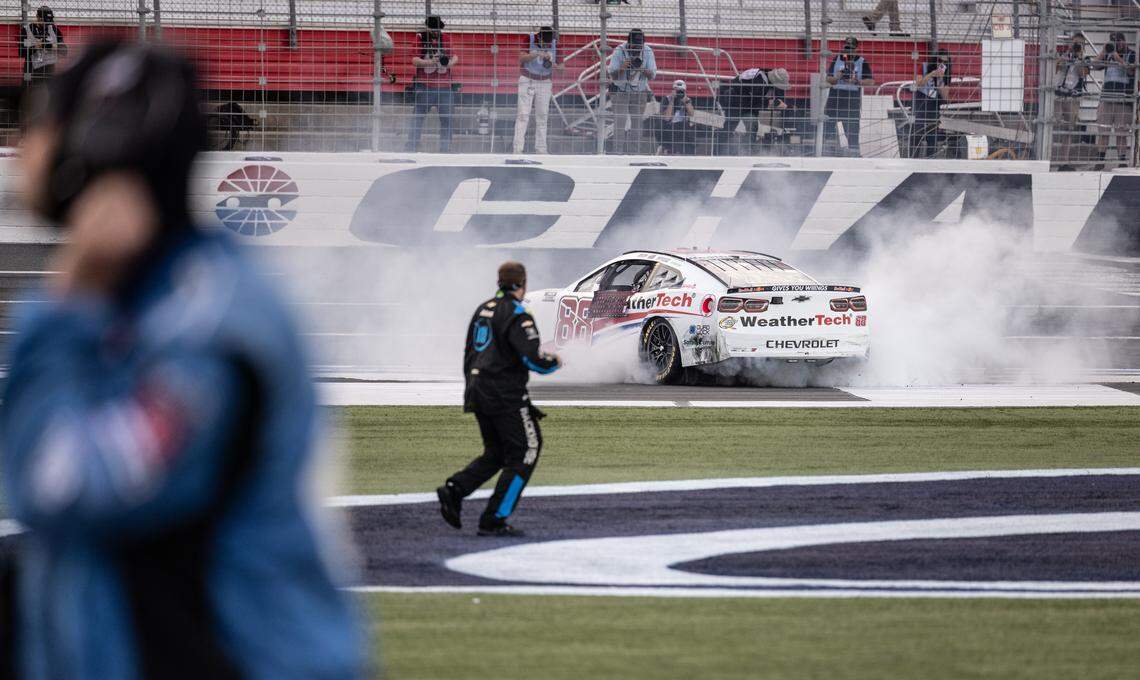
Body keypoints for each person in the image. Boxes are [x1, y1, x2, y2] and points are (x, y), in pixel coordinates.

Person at [2, 43, 365, 679]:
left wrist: (64, 304)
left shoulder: (207, 326)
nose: (23, 148)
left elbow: (55, 484)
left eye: (38, 122)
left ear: (98, 140)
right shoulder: (147, 299)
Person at [437, 262, 561, 537]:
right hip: (504, 394)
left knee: (496, 453)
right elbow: (533, 359)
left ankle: (455, 489)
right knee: (527, 450)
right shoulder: (518, 313)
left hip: (477, 389)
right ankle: (494, 517)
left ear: (499, 281)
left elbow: (470, 352)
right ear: (523, 283)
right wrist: (555, 362)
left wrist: (473, 385)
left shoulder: (483, 309)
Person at [407, 14, 459, 153]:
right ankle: (412, 146)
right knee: (417, 118)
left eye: (438, 30)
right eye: (433, 29)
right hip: (425, 85)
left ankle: (445, 149)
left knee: (447, 119)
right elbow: (415, 60)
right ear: (428, 28)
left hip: (445, 87)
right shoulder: (420, 38)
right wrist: (431, 62)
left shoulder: (446, 38)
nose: (436, 32)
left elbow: (455, 57)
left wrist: (448, 64)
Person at [715, 67, 789, 155]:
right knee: (733, 126)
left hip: (744, 103)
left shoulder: (765, 77)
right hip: (735, 102)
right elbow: (755, 102)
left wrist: (775, 102)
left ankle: (745, 152)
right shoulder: (759, 80)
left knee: (750, 124)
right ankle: (720, 153)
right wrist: (770, 103)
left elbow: (755, 102)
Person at [607, 28, 657, 154]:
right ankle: (617, 153)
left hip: (640, 91)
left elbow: (652, 75)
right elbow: (612, 75)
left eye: (638, 47)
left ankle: (635, 153)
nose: (636, 50)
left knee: (637, 124)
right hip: (621, 90)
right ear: (628, 42)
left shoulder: (648, 51)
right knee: (620, 123)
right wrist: (622, 68)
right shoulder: (619, 50)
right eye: (633, 46)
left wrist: (641, 68)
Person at [825, 36, 875, 156]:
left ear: (856, 48)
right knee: (827, 127)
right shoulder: (837, 59)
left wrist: (857, 81)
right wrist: (837, 77)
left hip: (852, 98)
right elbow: (828, 79)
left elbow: (871, 81)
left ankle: (854, 155)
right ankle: (823, 153)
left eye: (851, 48)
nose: (848, 51)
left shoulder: (862, 61)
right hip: (835, 96)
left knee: (852, 131)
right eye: (846, 48)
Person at [1093, 32, 1136, 168]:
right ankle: (1100, 161)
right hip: (1106, 98)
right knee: (1103, 132)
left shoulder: (1132, 54)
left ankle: (1122, 161)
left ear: (1124, 41)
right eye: (1113, 42)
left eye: (1118, 41)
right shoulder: (1108, 54)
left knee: (1121, 133)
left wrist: (1118, 59)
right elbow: (1095, 65)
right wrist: (1104, 51)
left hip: (1123, 100)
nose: (1117, 44)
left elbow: (1132, 71)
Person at [514, 25, 559, 155]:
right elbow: (521, 58)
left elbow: (562, 68)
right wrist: (536, 54)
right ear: (539, 37)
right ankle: (517, 149)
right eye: (545, 42)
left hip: (545, 81)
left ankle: (541, 150)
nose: (547, 44)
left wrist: (552, 62)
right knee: (523, 115)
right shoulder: (529, 39)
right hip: (527, 78)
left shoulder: (556, 44)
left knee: (542, 116)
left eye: (549, 43)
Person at [1054, 39, 1090, 167]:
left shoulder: (1085, 59)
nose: (1075, 46)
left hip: (1072, 97)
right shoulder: (1062, 55)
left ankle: (1063, 161)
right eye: (1074, 43)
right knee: (1051, 123)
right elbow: (1055, 68)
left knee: (1069, 129)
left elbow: (1082, 73)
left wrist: (1079, 58)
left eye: (1079, 44)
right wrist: (1066, 56)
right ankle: (1046, 156)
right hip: (1057, 94)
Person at [910, 49, 951, 158]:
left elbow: (945, 96)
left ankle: (930, 160)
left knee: (932, 136)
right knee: (916, 134)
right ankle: (912, 159)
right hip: (920, 102)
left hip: (933, 105)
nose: (941, 64)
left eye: (944, 62)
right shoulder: (924, 66)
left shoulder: (946, 73)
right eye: (939, 61)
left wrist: (941, 80)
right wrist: (931, 74)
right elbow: (918, 84)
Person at [19, 6, 66, 87]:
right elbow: (21, 52)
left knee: (49, 92)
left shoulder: (54, 29)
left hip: (49, 69)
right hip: (30, 69)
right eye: (43, 21)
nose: (46, 24)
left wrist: (49, 45)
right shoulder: (27, 30)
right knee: (26, 87)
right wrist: (36, 46)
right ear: (37, 17)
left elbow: (64, 51)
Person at [652, 79, 697, 154]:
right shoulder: (666, 99)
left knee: (688, 132)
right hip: (668, 127)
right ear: (673, 90)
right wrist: (672, 100)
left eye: (681, 91)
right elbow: (667, 118)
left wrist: (686, 102)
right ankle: (666, 148)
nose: (679, 93)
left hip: (682, 127)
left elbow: (692, 114)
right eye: (677, 91)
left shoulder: (686, 100)